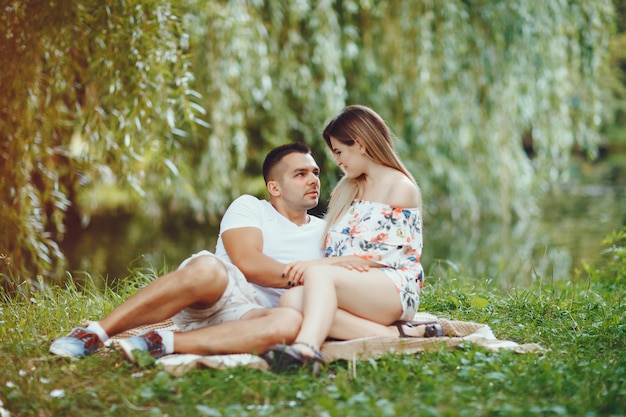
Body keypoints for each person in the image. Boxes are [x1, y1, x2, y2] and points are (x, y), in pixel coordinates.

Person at [49, 142, 328, 361]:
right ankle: (96, 333)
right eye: (300, 174)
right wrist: (311, 273)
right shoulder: (250, 207)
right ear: (274, 187)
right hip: (223, 293)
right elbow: (248, 263)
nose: (313, 180)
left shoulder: (327, 229)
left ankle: (159, 343)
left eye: (315, 172)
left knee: (290, 322)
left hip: (254, 317)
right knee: (208, 269)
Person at [262, 105, 443, 371]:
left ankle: (306, 349)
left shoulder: (400, 188)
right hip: (354, 283)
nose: (337, 161)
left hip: (393, 288)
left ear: (359, 144)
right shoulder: (348, 188)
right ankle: (397, 336)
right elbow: (342, 252)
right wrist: (337, 264)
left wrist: (326, 266)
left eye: (339, 151)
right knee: (291, 300)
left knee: (318, 276)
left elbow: (383, 258)